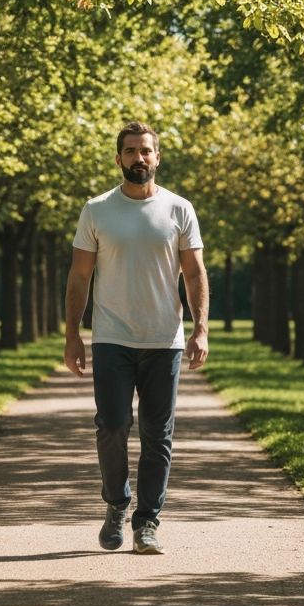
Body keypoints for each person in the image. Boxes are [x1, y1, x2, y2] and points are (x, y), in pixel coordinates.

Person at [64, 120, 209, 555]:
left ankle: (147, 523)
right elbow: (79, 275)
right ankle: (115, 505)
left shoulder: (179, 209)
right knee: (111, 425)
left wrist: (201, 327)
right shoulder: (97, 210)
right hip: (111, 337)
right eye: (130, 151)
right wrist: (72, 334)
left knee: (156, 434)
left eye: (145, 151)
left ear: (157, 157)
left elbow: (194, 272)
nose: (138, 158)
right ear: (118, 158)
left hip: (164, 339)